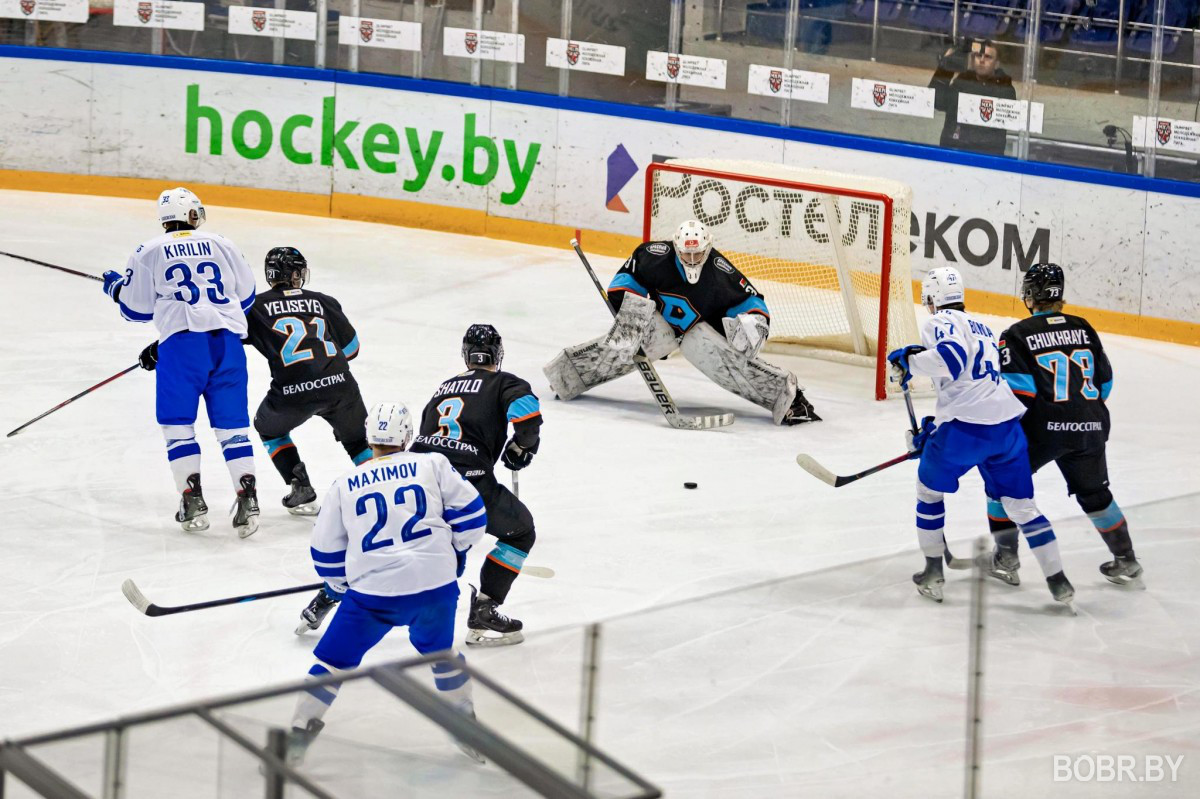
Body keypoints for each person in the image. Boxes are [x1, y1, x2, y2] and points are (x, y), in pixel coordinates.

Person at [286, 401, 487, 765]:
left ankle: (297, 737)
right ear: (408, 436)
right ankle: (465, 726)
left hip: (373, 596)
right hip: (435, 588)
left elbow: (325, 552)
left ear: (369, 436)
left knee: (331, 664)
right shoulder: (432, 464)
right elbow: (473, 517)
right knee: (442, 655)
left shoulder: (344, 483)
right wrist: (454, 553)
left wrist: (341, 584)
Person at [887, 266, 1074, 608]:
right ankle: (1058, 580)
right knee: (1022, 507)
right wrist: (936, 424)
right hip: (1006, 428)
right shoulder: (983, 327)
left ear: (932, 298)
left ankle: (932, 574)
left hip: (966, 430)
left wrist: (910, 362)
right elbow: (973, 385)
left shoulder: (938, 321)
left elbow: (953, 360)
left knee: (928, 492)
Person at [544, 219, 820, 425]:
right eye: (685, 254)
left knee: (731, 368)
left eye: (697, 254)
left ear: (708, 248)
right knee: (622, 344)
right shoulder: (652, 256)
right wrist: (631, 313)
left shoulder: (720, 272)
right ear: (675, 248)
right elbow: (623, 282)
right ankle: (567, 377)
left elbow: (753, 302)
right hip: (660, 323)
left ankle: (789, 400)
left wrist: (755, 324)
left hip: (699, 332)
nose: (691, 259)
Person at [102, 187, 260, 537]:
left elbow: (136, 309)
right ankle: (247, 498)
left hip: (182, 348)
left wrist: (115, 288)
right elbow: (247, 296)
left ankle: (192, 499)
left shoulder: (149, 250)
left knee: (178, 426)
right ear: (193, 215)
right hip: (229, 345)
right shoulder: (223, 242)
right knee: (233, 428)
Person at [982, 263, 1142, 587]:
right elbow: (1105, 386)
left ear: (1029, 295)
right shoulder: (1084, 328)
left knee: (1001, 482)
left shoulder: (1016, 334)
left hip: (1042, 430)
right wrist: (1077, 414)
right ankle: (1127, 559)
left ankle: (1006, 559)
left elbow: (1021, 393)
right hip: (1091, 426)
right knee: (1095, 494)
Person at [409, 324, 543, 647]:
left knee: (438, 544)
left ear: (467, 356)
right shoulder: (503, 382)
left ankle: (341, 593)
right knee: (521, 531)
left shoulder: (444, 387)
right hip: (467, 483)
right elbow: (528, 415)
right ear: (497, 355)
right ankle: (485, 606)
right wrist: (522, 447)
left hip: (419, 480)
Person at [243, 247, 371, 519]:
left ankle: (298, 483)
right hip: (340, 385)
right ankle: (383, 489)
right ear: (295, 274)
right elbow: (352, 350)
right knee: (359, 441)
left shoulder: (254, 307)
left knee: (268, 428)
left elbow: (224, 336)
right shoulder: (323, 301)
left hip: (292, 392)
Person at [929, 38, 1016, 156]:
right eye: (978, 55)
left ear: (997, 64)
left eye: (988, 57)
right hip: (953, 150)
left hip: (986, 156)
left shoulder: (1005, 88)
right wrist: (946, 67)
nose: (981, 60)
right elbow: (937, 101)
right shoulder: (962, 81)